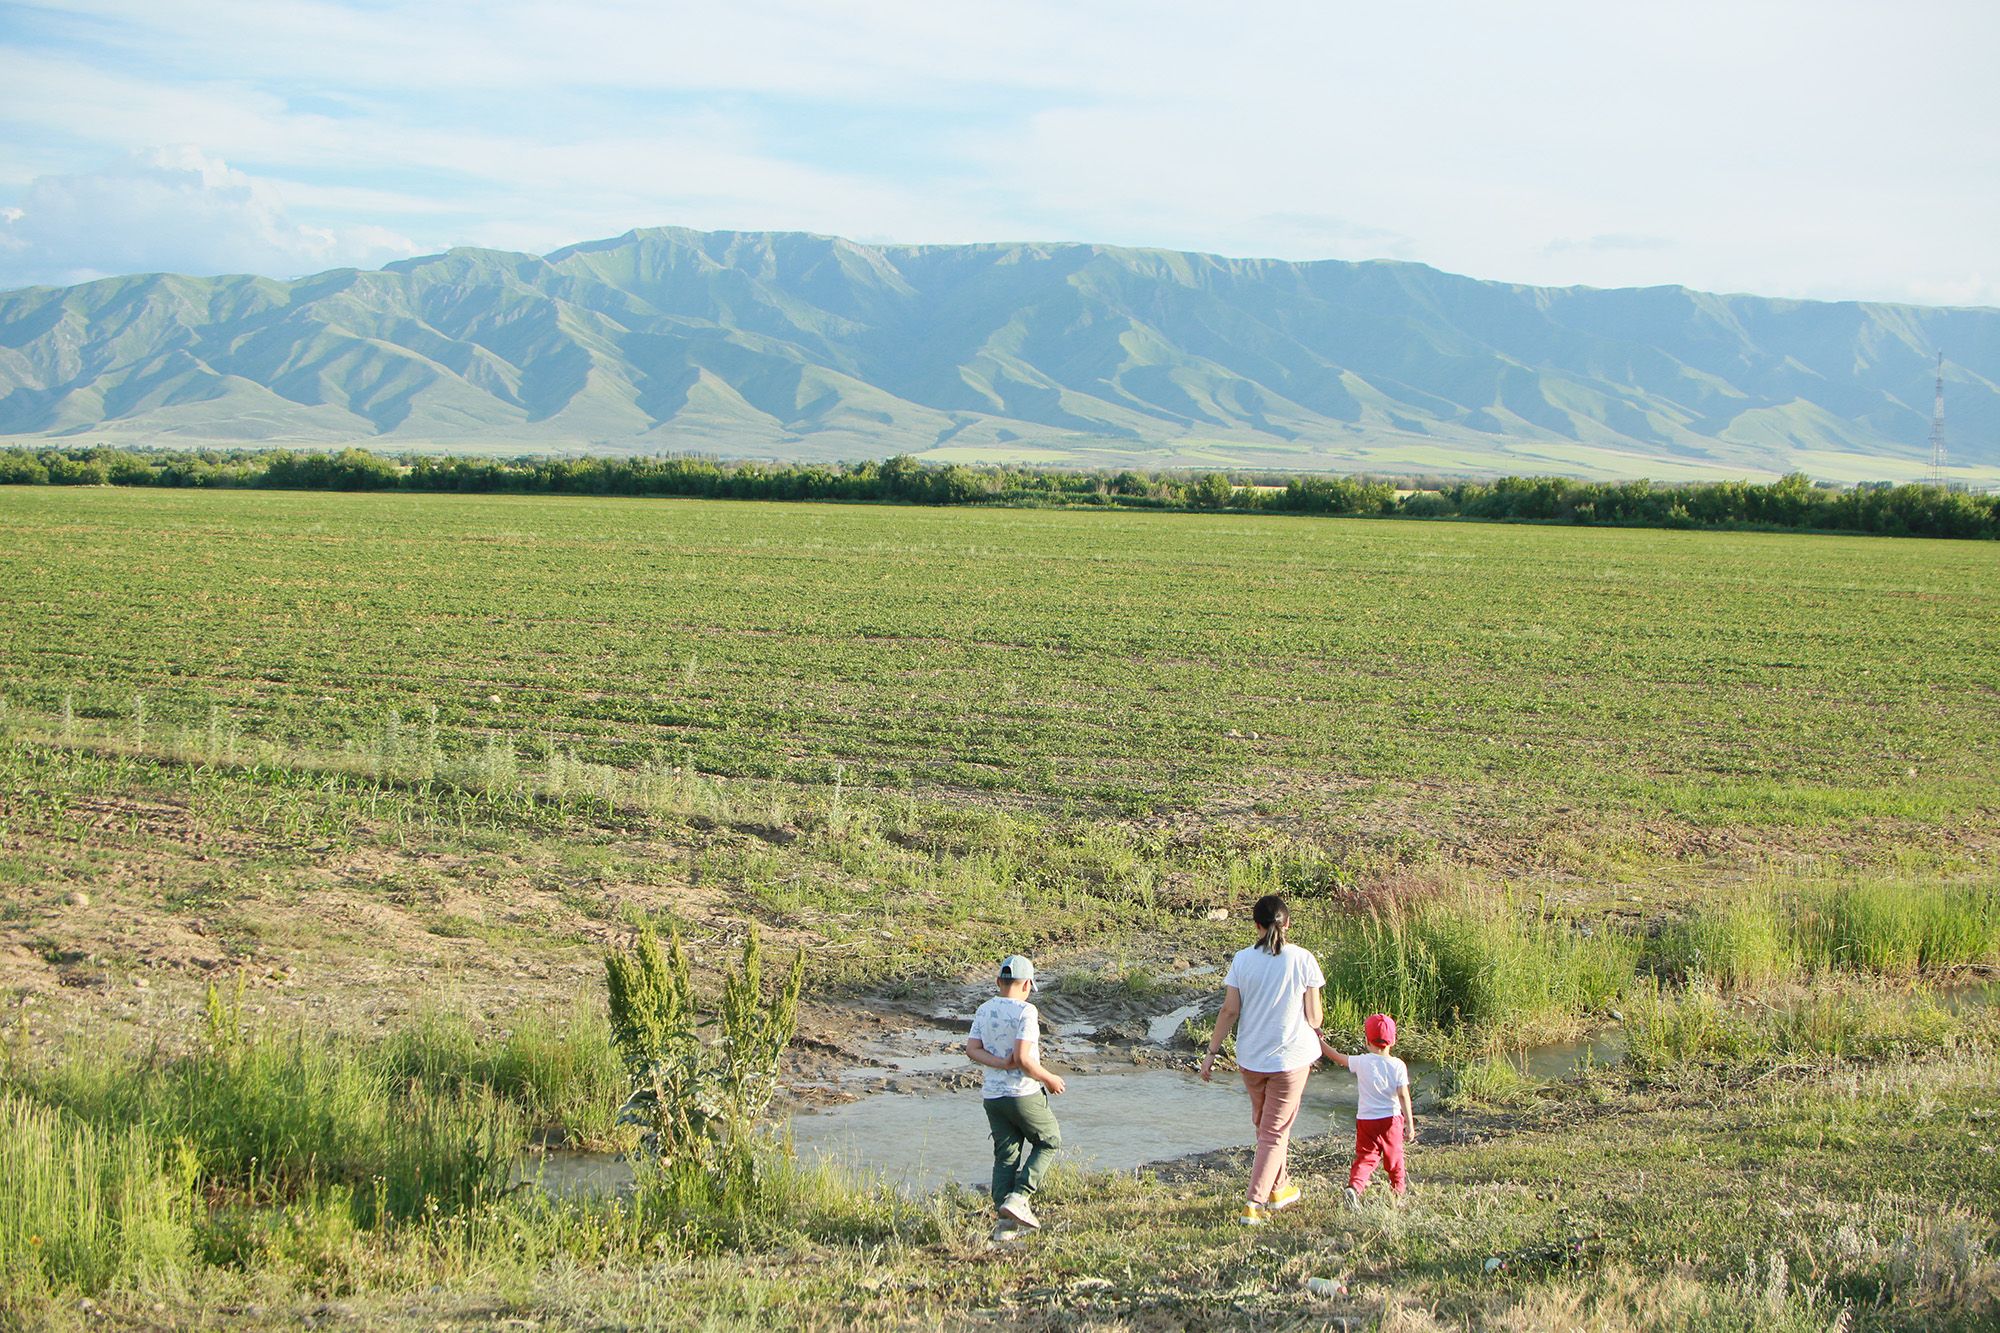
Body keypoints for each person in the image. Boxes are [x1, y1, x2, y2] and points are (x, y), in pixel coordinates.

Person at [1200, 894, 1325, 1226]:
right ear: (1288, 924)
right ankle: (1253, 1204)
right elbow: (1314, 1017)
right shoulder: (1303, 959)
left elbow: (1229, 1011)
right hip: (1290, 1061)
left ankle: (1279, 1189)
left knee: (1267, 1129)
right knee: (1273, 1131)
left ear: (1256, 925)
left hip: (1251, 1060)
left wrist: (1211, 1055)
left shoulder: (1242, 960)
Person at [966, 953, 1066, 1236]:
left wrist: (999, 1064)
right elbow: (1023, 1059)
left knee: (1006, 1154)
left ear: (999, 981)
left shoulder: (983, 1009)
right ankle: (1020, 1196)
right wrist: (1050, 1078)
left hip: (993, 1097)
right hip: (1022, 1093)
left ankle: (1004, 1226)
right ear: (1027, 986)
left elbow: (972, 1049)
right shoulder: (1026, 1012)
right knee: (1049, 1140)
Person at [1318, 1012, 1416, 1204]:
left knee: (1365, 1157)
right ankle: (1398, 1192)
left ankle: (1354, 1187)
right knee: (1394, 1158)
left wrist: (1319, 1040)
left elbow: (1337, 1057)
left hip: (1366, 1120)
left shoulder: (1362, 1061)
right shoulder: (1398, 1065)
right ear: (1393, 1040)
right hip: (1391, 1121)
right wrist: (1410, 1124)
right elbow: (1403, 1095)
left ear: (1366, 1040)